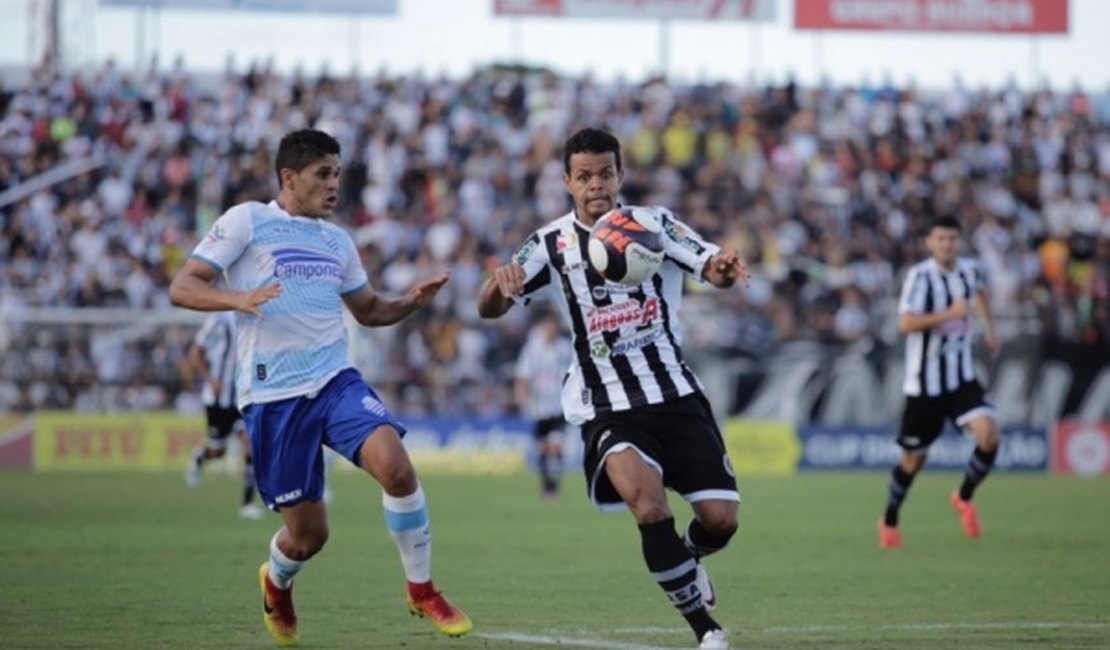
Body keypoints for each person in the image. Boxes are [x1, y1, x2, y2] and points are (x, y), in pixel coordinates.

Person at [169, 128, 471, 646]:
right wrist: (238, 299)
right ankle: (277, 581)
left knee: (397, 468)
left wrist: (408, 303)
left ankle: (422, 589)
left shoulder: (337, 240)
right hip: (273, 397)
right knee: (310, 537)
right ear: (290, 177)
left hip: (334, 381)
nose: (335, 185)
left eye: (338, 174)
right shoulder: (248, 220)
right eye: (322, 175)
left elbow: (370, 310)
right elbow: (184, 286)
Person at [478, 127, 748, 650]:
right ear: (566, 182)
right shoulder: (550, 244)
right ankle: (706, 632)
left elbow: (708, 263)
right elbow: (488, 308)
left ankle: (687, 562)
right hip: (606, 405)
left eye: (605, 173)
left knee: (721, 520)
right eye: (584, 176)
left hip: (674, 393)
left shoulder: (655, 224)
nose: (596, 184)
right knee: (648, 508)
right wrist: (498, 285)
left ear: (620, 175)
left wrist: (723, 268)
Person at [877, 215, 1001, 549]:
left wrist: (990, 328)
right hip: (924, 387)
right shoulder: (919, 278)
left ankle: (963, 496)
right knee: (914, 460)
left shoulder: (970, 271)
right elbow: (905, 324)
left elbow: (981, 294)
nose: (947, 244)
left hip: (961, 378)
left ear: (959, 241)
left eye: (952, 238)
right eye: (941, 239)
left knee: (989, 435)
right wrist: (950, 313)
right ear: (930, 243)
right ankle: (889, 518)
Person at [184, 310, 264, 520]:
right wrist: (210, 379)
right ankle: (201, 456)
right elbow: (195, 353)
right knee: (218, 451)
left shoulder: (255, 317)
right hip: (218, 399)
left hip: (243, 398)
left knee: (252, 447)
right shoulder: (218, 320)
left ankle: (247, 504)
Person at [513, 310, 574, 498]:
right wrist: (521, 398)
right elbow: (523, 375)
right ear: (541, 328)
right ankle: (546, 485)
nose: (551, 329)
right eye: (547, 325)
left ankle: (553, 485)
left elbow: (574, 371)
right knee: (542, 448)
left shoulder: (565, 348)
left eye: (553, 325)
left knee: (555, 446)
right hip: (538, 408)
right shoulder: (532, 349)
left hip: (559, 406)